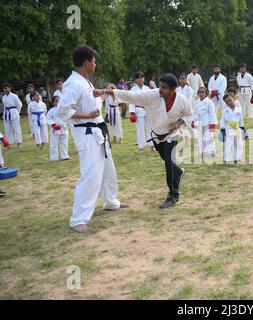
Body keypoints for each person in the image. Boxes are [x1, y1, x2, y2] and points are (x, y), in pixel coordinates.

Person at [56, 45, 124, 233]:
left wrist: (105, 91)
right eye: (93, 61)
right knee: (91, 175)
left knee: (108, 169)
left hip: (98, 131)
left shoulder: (84, 81)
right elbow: (62, 111)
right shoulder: (73, 84)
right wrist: (87, 115)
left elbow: (91, 95)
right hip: (86, 133)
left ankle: (110, 201)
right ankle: (78, 218)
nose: (95, 64)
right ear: (86, 62)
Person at [99, 73, 192, 209]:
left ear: (173, 89)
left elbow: (189, 114)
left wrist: (178, 123)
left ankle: (173, 195)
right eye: (160, 86)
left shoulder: (182, 100)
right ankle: (178, 172)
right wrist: (106, 91)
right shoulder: (152, 95)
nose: (161, 89)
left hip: (172, 135)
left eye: (165, 87)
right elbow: (131, 96)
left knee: (169, 162)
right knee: (167, 161)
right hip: (156, 134)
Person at [129, 72, 153, 152]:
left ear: (144, 78)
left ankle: (152, 146)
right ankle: (141, 147)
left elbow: (151, 100)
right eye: (138, 78)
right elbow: (131, 101)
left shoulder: (147, 89)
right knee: (140, 129)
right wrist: (132, 112)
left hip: (147, 110)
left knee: (150, 129)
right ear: (135, 80)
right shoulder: (133, 89)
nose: (140, 79)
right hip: (138, 111)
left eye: (141, 77)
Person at [192, 87, 217, 157]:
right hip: (199, 123)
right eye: (199, 92)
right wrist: (193, 121)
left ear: (206, 93)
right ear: (197, 93)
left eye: (203, 92)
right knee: (200, 138)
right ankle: (203, 152)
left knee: (209, 137)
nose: (201, 94)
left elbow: (212, 113)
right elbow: (194, 113)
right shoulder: (196, 102)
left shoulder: (209, 103)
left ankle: (212, 151)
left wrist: (212, 124)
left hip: (208, 122)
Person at [221, 93, 246, 164]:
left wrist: (242, 127)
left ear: (234, 99)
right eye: (227, 102)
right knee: (229, 144)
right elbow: (222, 120)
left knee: (238, 144)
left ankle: (237, 158)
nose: (229, 102)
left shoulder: (238, 109)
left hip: (237, 128)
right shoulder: (225, 110)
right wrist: (222, 128)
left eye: (230, 100)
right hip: (229, 129)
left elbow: (241, 119)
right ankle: (227, 159)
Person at [47, 96, 70, 161]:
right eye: (56, 101)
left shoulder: (64, 109)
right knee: (54, 144)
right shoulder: (51, 111)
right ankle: (54, 158)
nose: (58, 102)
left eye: (59, 100)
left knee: (64, 143)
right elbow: (48, 119)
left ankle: (65, 156)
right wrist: (53, 125)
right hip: (55, 129)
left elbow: (68, 117)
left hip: (64, 128)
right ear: (53, 102)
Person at [2, 83, 23, 148]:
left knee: (16, 128)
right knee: (7, 128)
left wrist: (17, 112)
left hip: (14, 112)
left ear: (10, 88)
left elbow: (19, 105)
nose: (5, 90)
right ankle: (8, 143)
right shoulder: (3, 97)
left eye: (6, 88)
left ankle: (18, 142)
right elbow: (4, 106)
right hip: (6, 113)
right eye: (4, 89)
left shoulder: (14, 96)